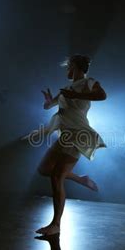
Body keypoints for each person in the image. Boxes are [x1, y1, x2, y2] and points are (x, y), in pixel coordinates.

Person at [35, 54, 107, 235]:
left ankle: (55, 225)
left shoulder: (88, 82)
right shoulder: (66, 88)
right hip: (65, 136)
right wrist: (48, 101)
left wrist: (76, 94)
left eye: (69, 66)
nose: (67, 70)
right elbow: (49, 106)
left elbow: (102, 95)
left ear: (75, 66)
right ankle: (81, 179)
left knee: (56, 178)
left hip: (78, 135)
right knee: (44, 169)